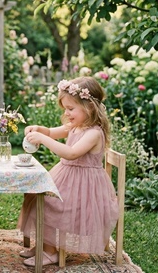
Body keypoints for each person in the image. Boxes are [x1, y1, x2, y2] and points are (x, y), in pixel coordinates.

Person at [17, 77, 119, 266]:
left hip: (85, 189)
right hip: (69, 179)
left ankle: (51, 253)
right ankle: (46, 244)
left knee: (48, 204)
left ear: (89, 107)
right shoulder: (76, 126)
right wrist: (40, 130)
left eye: (71, 109)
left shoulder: (93, 133)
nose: (67, 113)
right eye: (65, 108)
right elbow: (52, 132)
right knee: (35, 195)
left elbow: (71, 153)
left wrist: (42, 139)